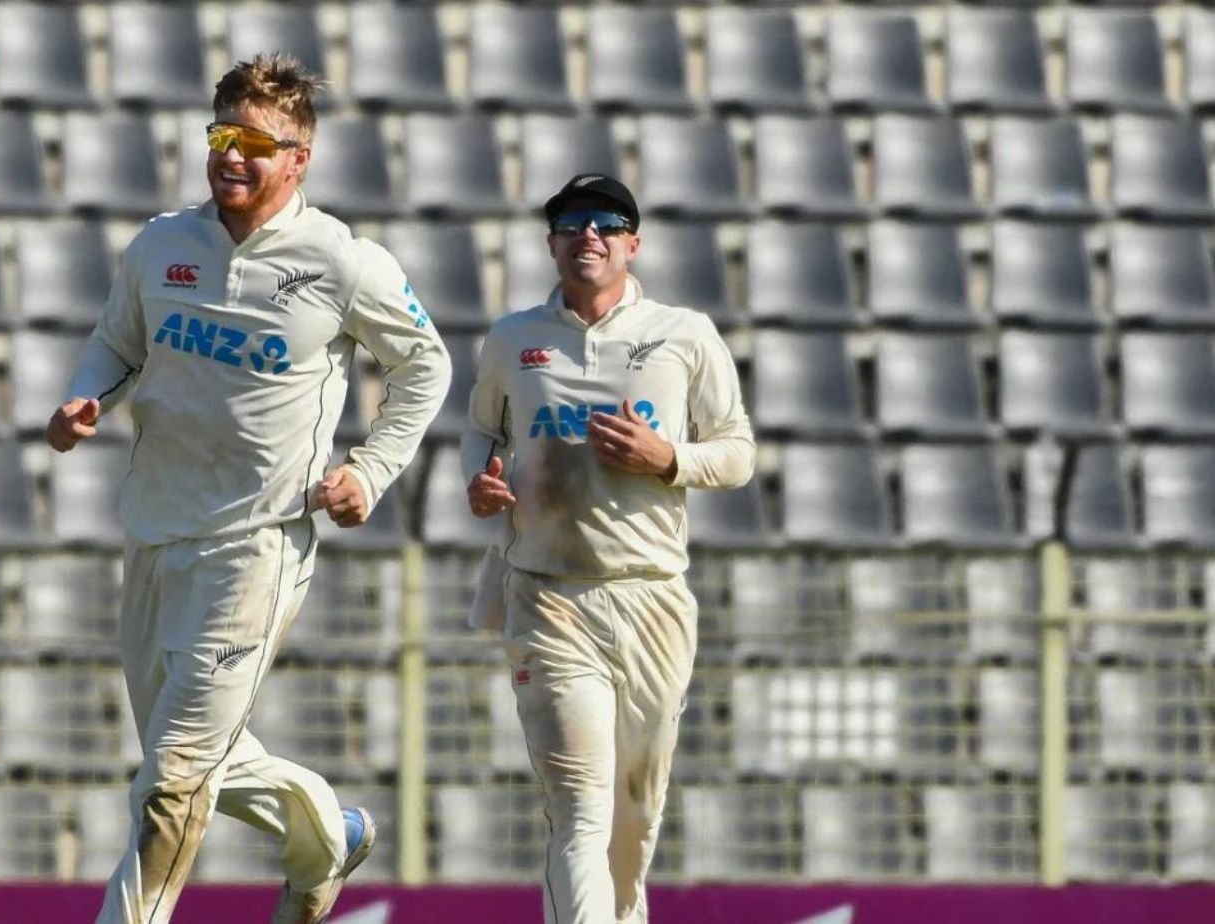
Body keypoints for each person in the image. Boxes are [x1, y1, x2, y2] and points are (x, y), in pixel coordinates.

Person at [48, 54, 451, 924]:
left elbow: (426, 363)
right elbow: (117, 343)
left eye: (254, 144)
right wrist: (85, 400)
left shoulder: (342, 262)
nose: (231, 156)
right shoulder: (162, 245)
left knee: (172, 781)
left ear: (298, 158)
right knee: (190, 760)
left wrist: (370, 470)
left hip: (259, 546)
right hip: (155, 531)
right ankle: (327, 838)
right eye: (220, 136)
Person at [461, 174, 754, 923]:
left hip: (651, 595)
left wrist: (667, 458)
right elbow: (480, 431)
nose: (586, 235)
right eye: (569, 224)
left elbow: (739, 452)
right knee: (579, 810)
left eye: (605, 222)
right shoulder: (513, 338)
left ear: (632, 243)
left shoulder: (683, 334)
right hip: (547, 595)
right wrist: (479, 481)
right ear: (551, 242)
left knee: (636, 813)